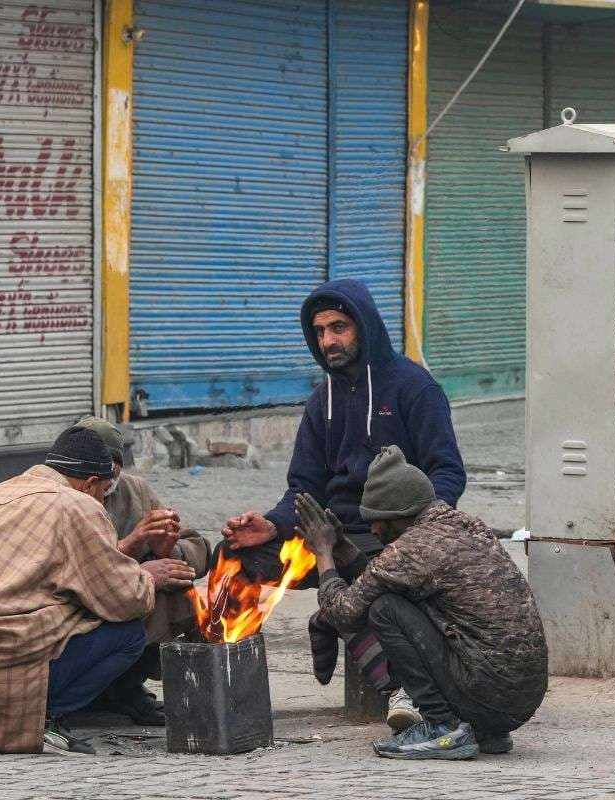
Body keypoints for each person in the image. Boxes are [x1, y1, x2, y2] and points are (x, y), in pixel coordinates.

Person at [219, 278, 466, 727]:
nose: (328, 341)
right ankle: (226, 688)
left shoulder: (414, 388)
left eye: (339, 328)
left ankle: (403, 692)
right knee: (234, 557)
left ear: (364, 327)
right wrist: (272, 526)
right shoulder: (321, 400)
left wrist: (418, 534)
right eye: (319, 331)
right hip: (323, 539)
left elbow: (448, 472)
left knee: (368, 586)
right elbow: (303, 486)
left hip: (389, 539)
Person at [0, 426, 197, 755]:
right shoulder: (79, 506)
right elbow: (125, 599)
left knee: (65, 609)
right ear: (90, 484)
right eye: (104, 492)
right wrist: (147, 576)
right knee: (128, 633)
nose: (104, 500)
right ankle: (45, 718)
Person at [297, 446, 548, 760]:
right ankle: (487, 732)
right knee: (401, 601)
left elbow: (344, 613)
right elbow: (384, 576)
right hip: (519, 702)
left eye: (376, 520)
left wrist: (323, 552)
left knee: (385, 609)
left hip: (487, 692)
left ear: (399, 515)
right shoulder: (467, 527)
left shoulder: (413, 548)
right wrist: (345, 551)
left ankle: (442, 727)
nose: (372, 529)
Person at [72, 416, 211, 726]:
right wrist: (135, 550)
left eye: (113, 465)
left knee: (182, 595)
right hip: (79, 605)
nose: (107, 476)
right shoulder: (64, 496)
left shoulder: (137, 491)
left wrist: (168, 550)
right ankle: (89, 691)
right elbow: (79, 569)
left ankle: (127, 688)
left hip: (128, 599)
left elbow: (196, 551)